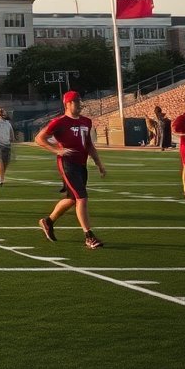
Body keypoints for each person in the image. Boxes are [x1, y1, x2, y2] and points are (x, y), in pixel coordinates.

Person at [34, 91, 107, 250]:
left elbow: (89, 145)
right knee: (82, 198)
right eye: (76, 101)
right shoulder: (59, 122)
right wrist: (56, 150)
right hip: (67, 164)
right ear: (67, 104)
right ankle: (89, 236)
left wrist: (99, 163)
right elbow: (39, 138)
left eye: (80, 101)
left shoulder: (86, 121)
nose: (80, 104)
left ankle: (48, 221)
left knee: (73, 199)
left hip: (81, 164)